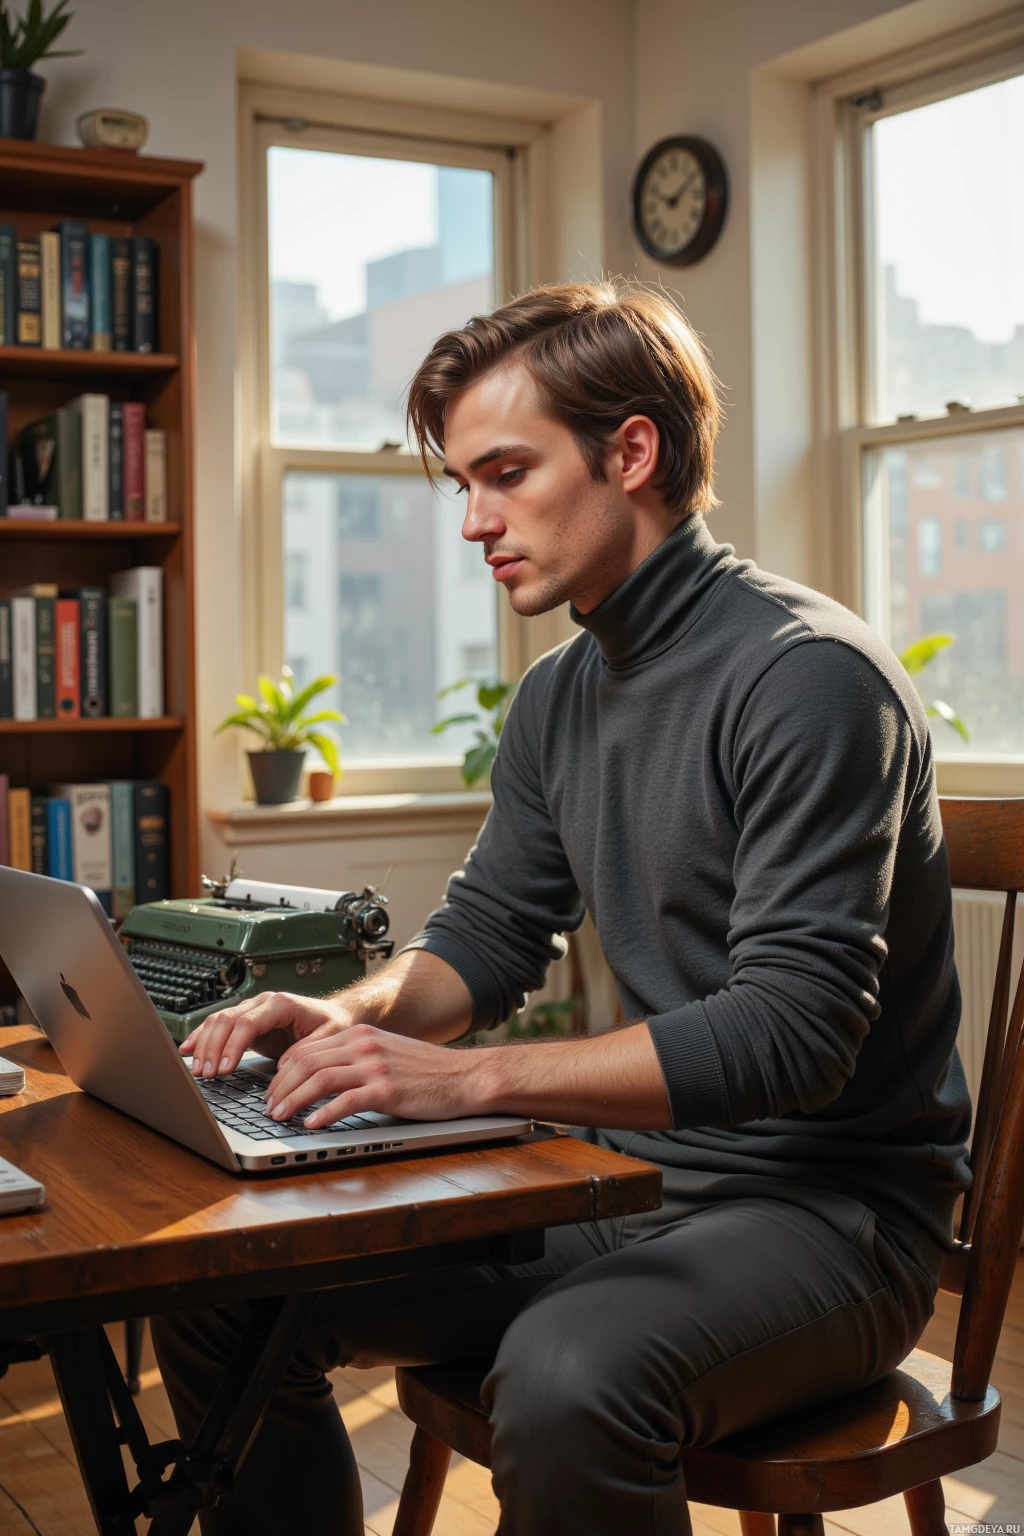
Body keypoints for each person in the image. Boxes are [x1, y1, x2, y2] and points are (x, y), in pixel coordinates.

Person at [153, 280, 971, 1536]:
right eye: (462, 485)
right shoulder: (555, 698)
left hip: (835, 1220)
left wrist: (465, 1081)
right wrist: (350, 1012)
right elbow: (484, 936)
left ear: (629, 450)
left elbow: (796, 1036)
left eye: (505, 473)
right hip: (623, 1185)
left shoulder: (806, 679)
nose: (474, 521)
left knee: (568, 1375)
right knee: (227, 1287)